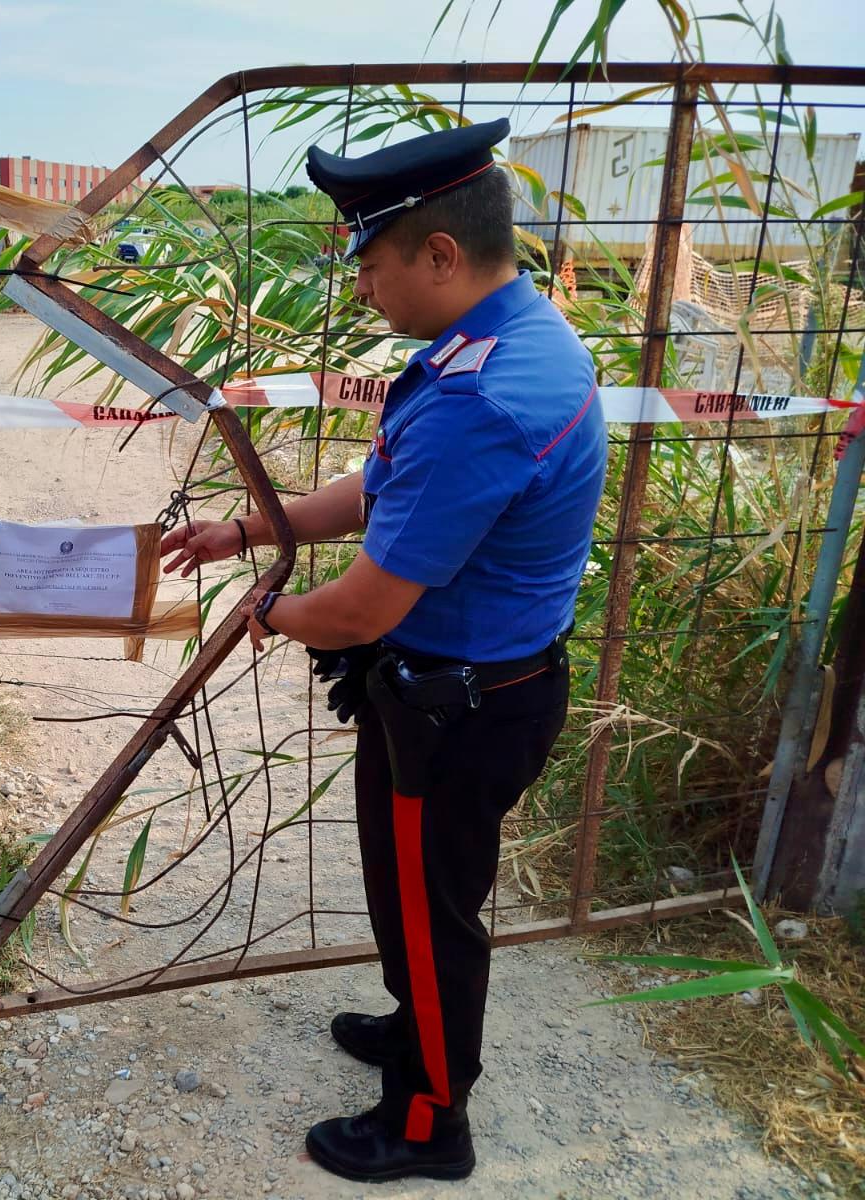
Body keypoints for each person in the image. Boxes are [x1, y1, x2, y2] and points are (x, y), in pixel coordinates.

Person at [159, 117, 606, 1184]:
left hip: (459, 710)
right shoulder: (512, 338)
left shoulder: (479, 399)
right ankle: (417, 1027)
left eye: (370, 264)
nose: (360, 288)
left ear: (439, 254)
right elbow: (383, 490)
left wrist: (268, 612)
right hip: (465, 690)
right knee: (413, 897)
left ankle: (428, 1120)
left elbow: (360, 610)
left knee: (432, 913)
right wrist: (249, 531)